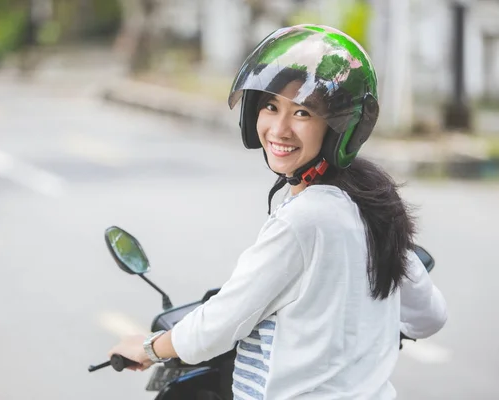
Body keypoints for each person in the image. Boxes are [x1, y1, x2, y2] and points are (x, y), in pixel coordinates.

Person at [108, 24, 448, 399]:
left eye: (302, 113)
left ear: (337, 130)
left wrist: (148, 347)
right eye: (271, 106)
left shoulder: (304, 220)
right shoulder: (373, 206)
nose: (279, 129)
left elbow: (214, 329)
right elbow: (429, 316)